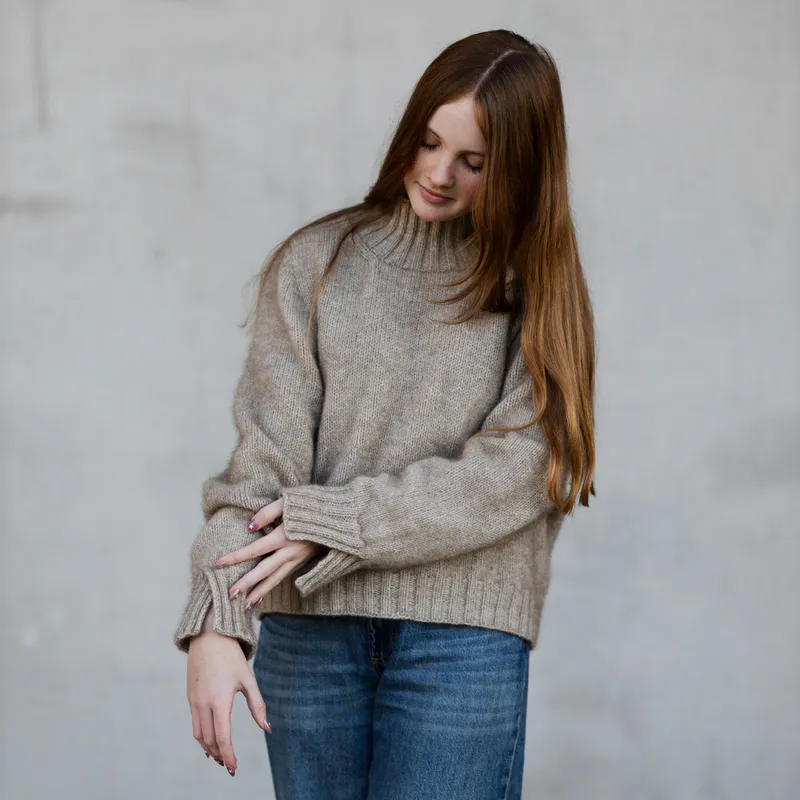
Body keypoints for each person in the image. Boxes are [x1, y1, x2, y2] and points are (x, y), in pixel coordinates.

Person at [173, 28, 596, 799]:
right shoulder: (316, 263)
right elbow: (259, 475)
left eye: (473, 162)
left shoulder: (536, 291)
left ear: (520, 169)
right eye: (428, 141)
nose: (437, 174)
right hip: (308, 635)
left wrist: (331, 525)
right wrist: (214, 619)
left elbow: (520, 471)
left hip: (460, 640)